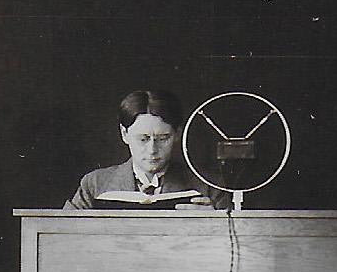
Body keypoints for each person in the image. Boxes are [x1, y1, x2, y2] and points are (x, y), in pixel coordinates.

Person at [64, 89, 229, 209]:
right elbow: (63, 233)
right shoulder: (94, 184)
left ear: (177, 134)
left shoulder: (209, 186)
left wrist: (213, 223)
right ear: (124, 134)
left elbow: (232, 241)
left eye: (163, 138)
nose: (152, 150)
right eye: (143, 139)